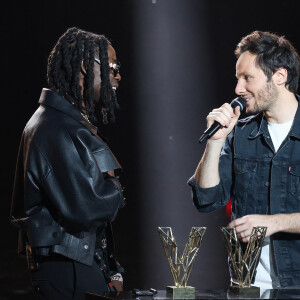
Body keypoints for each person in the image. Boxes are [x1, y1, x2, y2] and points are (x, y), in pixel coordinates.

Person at [11, 27, 125, 299]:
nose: (117, 74)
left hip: (78, 265)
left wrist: (111, 270)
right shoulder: (56, 128)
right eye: (111, 66)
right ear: (86, 66)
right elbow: (87, 210)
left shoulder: (65, 122)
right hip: (69, 271)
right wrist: (114, 185)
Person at [188, 31, 300, 289]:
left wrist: (274, 223)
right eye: (238, 78)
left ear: (280, 76)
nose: (238, 89)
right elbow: (206, 199)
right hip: (247, 285)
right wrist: (215, 142)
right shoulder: (240, 134)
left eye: (248, 78)